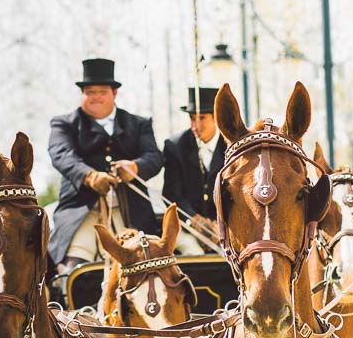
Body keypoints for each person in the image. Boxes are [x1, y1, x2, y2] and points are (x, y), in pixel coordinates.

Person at [47, 58, 163, 274]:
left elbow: (154, 157)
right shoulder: (63, 124)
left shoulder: (139, 124)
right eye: (90, 92)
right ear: (82, 94)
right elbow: (61, 155)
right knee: (73, 268)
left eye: (101, 91)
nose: (95, 97)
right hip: (82, 212)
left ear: (114, 93)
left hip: (130, 212)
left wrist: (135, 168)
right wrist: (90, 176)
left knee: (146, 266)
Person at [161, 86, 225, 253]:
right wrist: (193, 220)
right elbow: (171, 193)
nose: (195, 125)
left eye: (202, 118)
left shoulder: (232, 147)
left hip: (225, 228)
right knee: (193, 254)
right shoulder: (175, 146)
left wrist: (221, 225)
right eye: (192, 118)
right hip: (186, 227)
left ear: (216, 118)